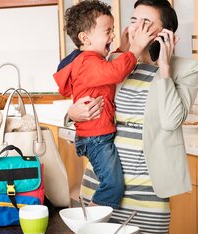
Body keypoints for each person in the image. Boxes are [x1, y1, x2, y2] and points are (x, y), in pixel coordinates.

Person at [67, 0, 198, 234]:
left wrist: (164, 67)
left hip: (147, 194)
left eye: (147, 23)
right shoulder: (112, 63)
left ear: (165, 33)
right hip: (100, 187)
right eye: (133, 21)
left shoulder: (186, 69)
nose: (137, 28)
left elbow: (171, 120)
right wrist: (72, 115)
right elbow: (83, 103)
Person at [54, 0, 156, 209]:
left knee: (111, 183)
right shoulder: (86, 62)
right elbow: (115, 72)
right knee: (113, 186)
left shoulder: (91, 61)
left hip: (97, 137)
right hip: (96, 139)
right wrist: (135, 49)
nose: (112, 35)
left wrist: (124, 49)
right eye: (107, 31)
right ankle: (90, 220)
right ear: (85, 38)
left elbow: (108, 67)